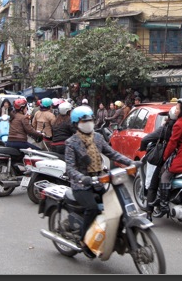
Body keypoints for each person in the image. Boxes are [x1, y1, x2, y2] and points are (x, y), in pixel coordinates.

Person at [64, 105, 136, 256]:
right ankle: (85, 241)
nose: (88, 123)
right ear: (76, 124)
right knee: (93, 208)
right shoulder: (71, 142)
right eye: (84, 121)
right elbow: (70, 168)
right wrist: (82, 178)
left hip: (99, 181)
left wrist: (130, 162)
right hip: (81, 186)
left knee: (113, 208)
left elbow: (112, 154)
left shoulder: (98, 137)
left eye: (90, 120)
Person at [139, 105, 177, 221]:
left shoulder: (166, 128)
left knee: (153, 185)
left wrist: (142, 148)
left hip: (169, 160)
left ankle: (149, 212)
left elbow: (146, 139)